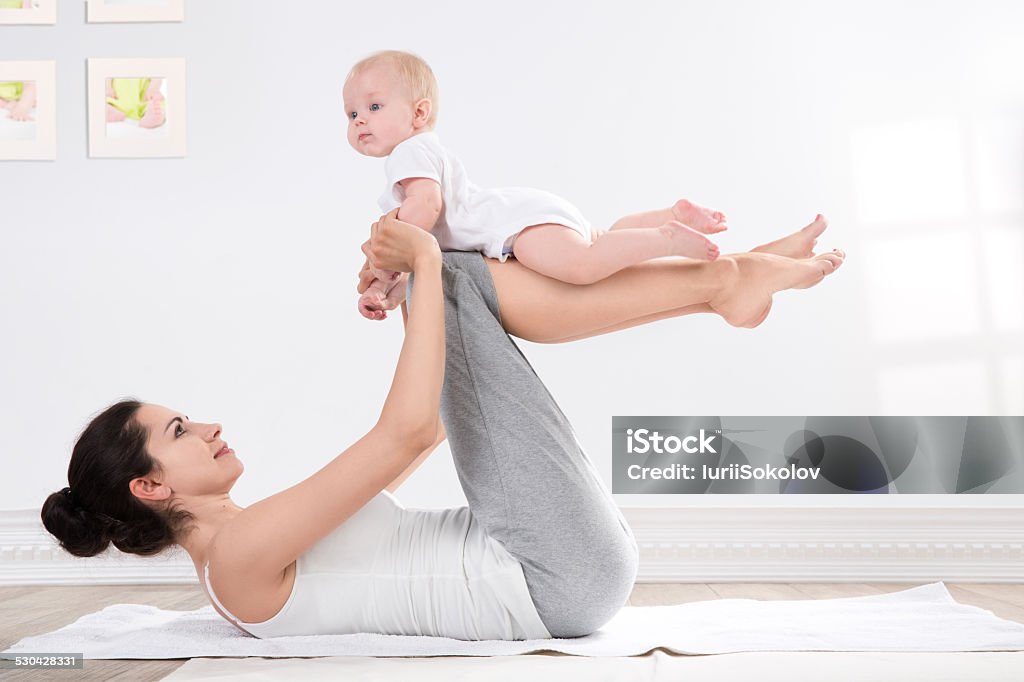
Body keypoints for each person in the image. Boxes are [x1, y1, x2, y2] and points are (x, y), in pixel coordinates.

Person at [41, 210, 845, 640]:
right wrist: (420, 271)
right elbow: (399, 434)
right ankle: (719, 283)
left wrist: (414, 296)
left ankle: (723, 279)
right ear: (151, 484)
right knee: (452, 268)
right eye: (180, 430)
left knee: (454, 277)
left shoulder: (255, 537)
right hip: (551, 572)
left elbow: (421, 436)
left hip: (555, 560)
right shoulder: (238, 557)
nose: (208, 425)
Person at [346, 50, 740, 321]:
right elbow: (418, 259)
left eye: (374, 107)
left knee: (583, 266)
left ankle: (666, 237)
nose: (360, 120)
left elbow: (426, 207)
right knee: (600, 242)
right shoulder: (420, 152)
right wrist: (386, 291)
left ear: (419, 113)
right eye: (352, 113)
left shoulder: (408, 154)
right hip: (529, 213)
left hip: (517, 229)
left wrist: (385, 253)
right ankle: (668, 215)